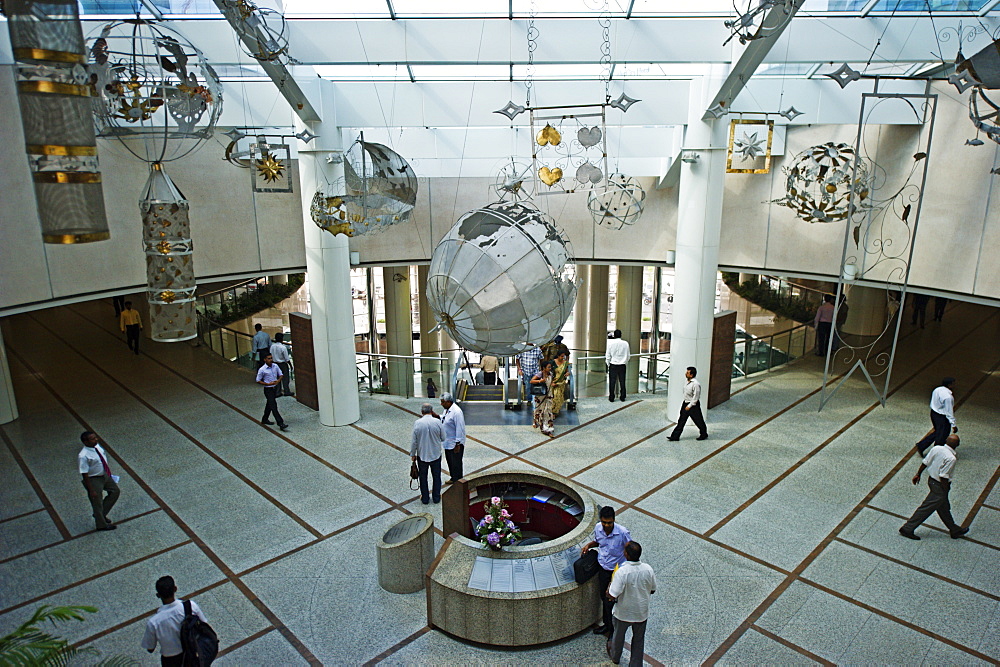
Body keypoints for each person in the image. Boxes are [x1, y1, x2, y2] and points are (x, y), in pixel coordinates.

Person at [899, 434, 969, 540]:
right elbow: (943, 476)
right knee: (926, 508)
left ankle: (954, 530)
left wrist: (918, 474)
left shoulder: (936, 448)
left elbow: (925, 462)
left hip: (931, 481)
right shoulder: (951, 458)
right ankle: (907, 528)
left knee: (943, 508)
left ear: (946, 440)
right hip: (940, 486)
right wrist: (945, 490)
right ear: (957, 445)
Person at [581, 506, 631, 637]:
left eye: (609, 522)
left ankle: (613, 629)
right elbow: (599, 542)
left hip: (616, 572)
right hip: (603, 567)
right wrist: (589, 545)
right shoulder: (598, 528)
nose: (606, 525)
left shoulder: (623, 533)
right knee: (604, 598)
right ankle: (607, 625)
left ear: (614, 520)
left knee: (611, 600)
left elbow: (630, 551)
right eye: (604, 522)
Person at [607, 541, 657, 667]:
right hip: (641, 612)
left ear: (626, 554)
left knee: (618, 636)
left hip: (623, 613)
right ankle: (635, 663)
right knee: (639, 640)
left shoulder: (622, 572)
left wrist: (608, 588)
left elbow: (613, 595)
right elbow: (652, 589)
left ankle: (615, 657)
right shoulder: (648, 569)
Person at [141, 575, 207, 666]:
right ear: (175, 589)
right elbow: (205, 625)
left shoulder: (154, 622)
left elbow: (150, 648)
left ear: (158, 595)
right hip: (193, 652)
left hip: (171, 661)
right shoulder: (191, 606)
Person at [78, 431, 120, 531]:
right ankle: (101, 525)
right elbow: (84, 473)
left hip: (104, 475)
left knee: (115, 491)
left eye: (95, 437)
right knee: (97, 502)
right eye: (93, 439)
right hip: (93, 479)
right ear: (85, 442)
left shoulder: (97, 447)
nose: (96, 439)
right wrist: (91, 489)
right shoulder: (83, 455)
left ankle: (100, 514)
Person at [410, 403, 445, 504]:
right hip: (435, 455)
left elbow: (414, 441)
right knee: (436, 476)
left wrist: (413, 454)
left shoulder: (417, 423)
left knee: (423, 477)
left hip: (422, 455)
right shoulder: (438, 422)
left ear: (422, 412)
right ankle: (436, 497)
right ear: (431, 411)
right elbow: (443, 438)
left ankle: (425, 498)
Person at [915, 377, 956, 455]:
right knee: (942, 434)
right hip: (942, 416)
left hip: (934, 413)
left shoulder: (937, 389)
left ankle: (922, 445)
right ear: (949, 385)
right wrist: (953, 424)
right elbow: (949, 411)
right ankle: (936, 450)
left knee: (939, 432)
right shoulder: (948, 397)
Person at [668, 366, 708, 441]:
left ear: (692, 375)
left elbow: (696, 397)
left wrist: (689, 406)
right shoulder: (687, 382)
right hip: (685, 402)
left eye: (687, 373)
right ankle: (675, 436)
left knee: (698, 420)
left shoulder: (696, 384)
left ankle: (704, 434)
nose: (686, 374)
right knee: (681, 420)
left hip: (693, 405)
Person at [256, 353, 288, 431]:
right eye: (269, 358)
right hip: (268, 389)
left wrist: (278, 381)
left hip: (274, 388)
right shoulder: (262, 369)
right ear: (265, 360)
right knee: (273, 406)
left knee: (269, 404)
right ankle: (280, 423)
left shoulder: (275, 366)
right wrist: (267, 384)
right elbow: (258, 380)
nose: (271, 360)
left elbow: (281, 375)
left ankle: (264, 419)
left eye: (271, 358)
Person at [439, 393, 466, 484]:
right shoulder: (447, 410)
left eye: (443, 402)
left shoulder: (457, 412)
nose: (441, 404)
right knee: (450, 462)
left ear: (449, 402)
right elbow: (444, 419)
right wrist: (436, 416)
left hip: (455, 443)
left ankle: (459, 481)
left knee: (456, 463)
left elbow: (460, 427)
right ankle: (453, 477)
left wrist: (457, 443)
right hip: (448, 442)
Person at [530, 360, 556, 438]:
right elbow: (531, 381)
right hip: (541, 396)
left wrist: (552, 384)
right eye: (548, 367)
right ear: (544, 368)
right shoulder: (540, 374)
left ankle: (547, 428)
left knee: (548, 411)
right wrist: (540, 381)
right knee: (539, 410)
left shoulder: (551, 374)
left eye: (550, 367)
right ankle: (536, 421)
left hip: (549, 395)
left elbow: (550, 382)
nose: (550, 368)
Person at [606, 329, 630, 402]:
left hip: (613, 364)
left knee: (612, 381)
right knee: (622, 381)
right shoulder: (626, 343)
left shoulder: (610, 344)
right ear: (621, 335)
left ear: (614, 335)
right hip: (622, 365)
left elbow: (608, 356)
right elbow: (628, 355)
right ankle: (622, 396)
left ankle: (611, 397)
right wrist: (625, 362)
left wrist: (608, 364)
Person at [269, 332, 293, 397]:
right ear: (282, 339)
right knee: (285, 378)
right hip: (282, 364)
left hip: (274, 364)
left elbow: (270, 355)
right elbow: (287, 358)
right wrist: (290, 365)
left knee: (277, 378)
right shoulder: (283, 347)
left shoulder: (272, 346)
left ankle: (278, 392)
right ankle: (286, 391)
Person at [550, 351, 570, 416]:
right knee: (553, 397)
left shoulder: (565, 363)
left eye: (563, 356)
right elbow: (548, 373)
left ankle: (555, 412)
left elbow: (566, 371)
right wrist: (551, 382)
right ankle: (552, 410)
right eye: (561, 356)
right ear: (558, 356)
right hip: (553, 383)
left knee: (558, 397)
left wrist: (567, 373)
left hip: (561, 383)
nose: (562, 358)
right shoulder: (552, 362)